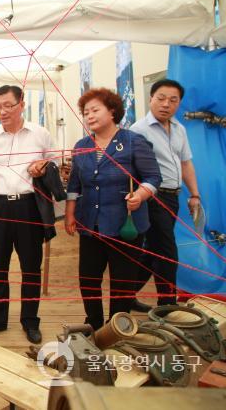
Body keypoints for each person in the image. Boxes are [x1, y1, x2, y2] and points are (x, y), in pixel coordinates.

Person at [65, 88, 161, 330]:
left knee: (122, 281)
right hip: (91, 224)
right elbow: (74, 185)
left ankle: (116, 326)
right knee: (88, 278)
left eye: (95, 110)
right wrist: (69, 213)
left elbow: (153, 177)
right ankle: (93, 323)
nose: (89, 116)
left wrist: (139, 195)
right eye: (86, 112)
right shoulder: (82, 146)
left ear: (113, 111)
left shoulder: (133, 142)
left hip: (125, 224)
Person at [0, 85, 53, 344]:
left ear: (22, 104)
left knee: (31, 267)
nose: (3, 111)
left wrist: (44, 168)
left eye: (8, 105)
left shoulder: (40, 134)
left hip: (29, 207)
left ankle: (30, 321)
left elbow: (54, 166)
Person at [130, 79, 200, 308]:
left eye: (173, 100)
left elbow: (186, 164)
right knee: (168, 252)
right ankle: (167, 305)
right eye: (160, 98)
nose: (166, 104)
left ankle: (125, 296)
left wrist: (194, 195)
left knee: (153, 251)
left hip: (173, 196)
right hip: (152, 197)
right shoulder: (138, 130)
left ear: (179, 103)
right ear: (150, 99)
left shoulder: (179, 128)